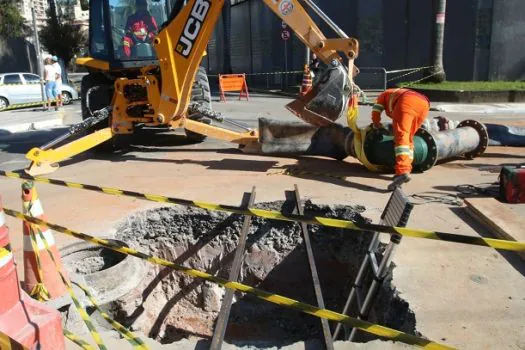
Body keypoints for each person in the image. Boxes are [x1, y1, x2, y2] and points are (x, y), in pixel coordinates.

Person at [371, 88, 430, 190]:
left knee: (401, 138)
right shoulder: (394, 93)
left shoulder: (382, 95)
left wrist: (376, 124)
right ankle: (407, 167)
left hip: (406, 102)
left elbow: (376, 110)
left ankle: (402, 172)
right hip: (424, 104)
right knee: (408, 138)